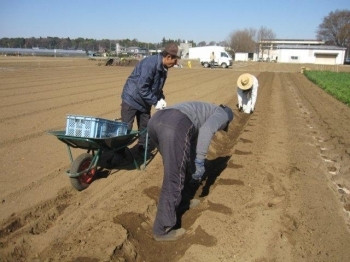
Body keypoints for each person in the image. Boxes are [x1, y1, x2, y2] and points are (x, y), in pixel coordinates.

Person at [147, 101, 234, 241]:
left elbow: (193, 144)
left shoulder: (203, 111)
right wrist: (200, 161)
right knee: (174, 176)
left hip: (156, 120)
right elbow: (207, 130)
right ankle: (162, 229)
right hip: (175, 125)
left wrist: (194, 163)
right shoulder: (223, 114)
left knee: (179, 168)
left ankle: (182, 202)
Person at [120, 42, 181, 155]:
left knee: (145, 127)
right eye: (175, 60)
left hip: (144, 101)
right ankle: (119, 153)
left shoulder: (163, 69)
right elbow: (142, 87)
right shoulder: (150, 64)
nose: (176, 63)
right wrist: (155, 101)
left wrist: (161, 98)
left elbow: (156, 87)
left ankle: (142, 149)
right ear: (168, 57)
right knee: (126, 128)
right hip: (132, 98)